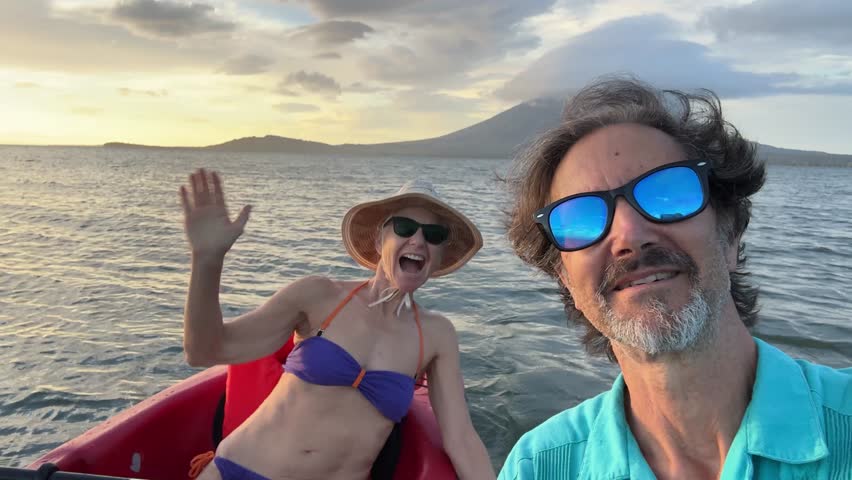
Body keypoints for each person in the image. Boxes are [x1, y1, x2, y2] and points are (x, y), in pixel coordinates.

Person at [498, 77, 852, 480]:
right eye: (579, 218)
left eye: (668, 194)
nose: (628, 235)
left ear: (731, 233)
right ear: (565, 280)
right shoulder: (538, 467)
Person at [179, 170, 496, 480]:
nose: (418, 239)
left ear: (439, 256)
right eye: (404, 227)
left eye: (434, 235)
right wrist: (207, 260)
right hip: (238, 469)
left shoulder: (436, 335)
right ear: (378, 240)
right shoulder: (318, 296)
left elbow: (462, 439)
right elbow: (204, 351)